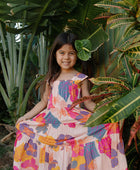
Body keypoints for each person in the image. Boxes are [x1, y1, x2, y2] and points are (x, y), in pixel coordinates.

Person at [13, 32, 128, 170]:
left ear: (77, 55)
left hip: (74, 120)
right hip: (51, 120)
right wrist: (26, 117)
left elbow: (88, 103)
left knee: (83, 141)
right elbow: (43, 103)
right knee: (31, 133)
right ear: (55, 54)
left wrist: (108, 115)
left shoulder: (81, 78)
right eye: (62, 52)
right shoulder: (51, 79)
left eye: (71, 53)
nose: (66, 57)